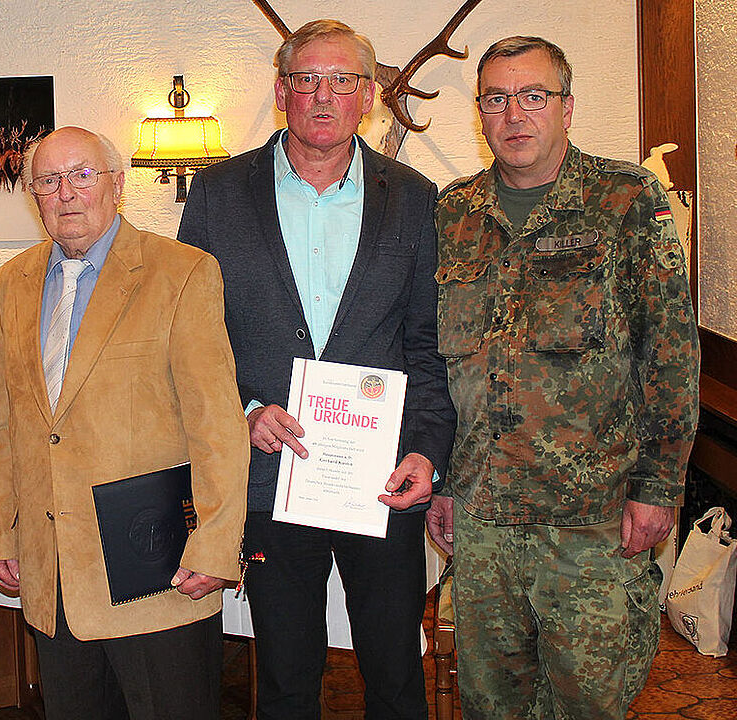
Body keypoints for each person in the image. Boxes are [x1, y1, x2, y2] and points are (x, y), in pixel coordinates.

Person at [177, 19, 457, 719]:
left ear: (368, 95)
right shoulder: (216, 195)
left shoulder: (416, 197)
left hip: (382, 480)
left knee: (396, 677)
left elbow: (427, 343)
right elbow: (194, 338)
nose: (323, 95)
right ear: (281, 91)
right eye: (306, 79)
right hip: (274, 479)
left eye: (342, 80)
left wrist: (426, 448)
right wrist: (244, 408)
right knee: (285, 679)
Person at [426, 36, 699, 719]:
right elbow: (441, 366)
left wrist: (660, 487)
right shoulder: (454, 213)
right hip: (484, 524)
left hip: (594, 522)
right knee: (490, 705)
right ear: (480, 113)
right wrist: (448, 482)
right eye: (496, 98)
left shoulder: (626, 201)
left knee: (589, 702)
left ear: (567, 108)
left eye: (534, 96)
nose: (514, 114)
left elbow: (671, 354)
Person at [0, 126, 249, 720]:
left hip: (155, 569)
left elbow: (218, 426)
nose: (66, 193)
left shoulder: (182, 272)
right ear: (33, 194)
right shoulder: (12, 282)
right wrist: (0, 529)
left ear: (116, 185)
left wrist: (214, 543)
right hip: (54, 575)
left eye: (82, 175)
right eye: (49, 180)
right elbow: (3, 423)